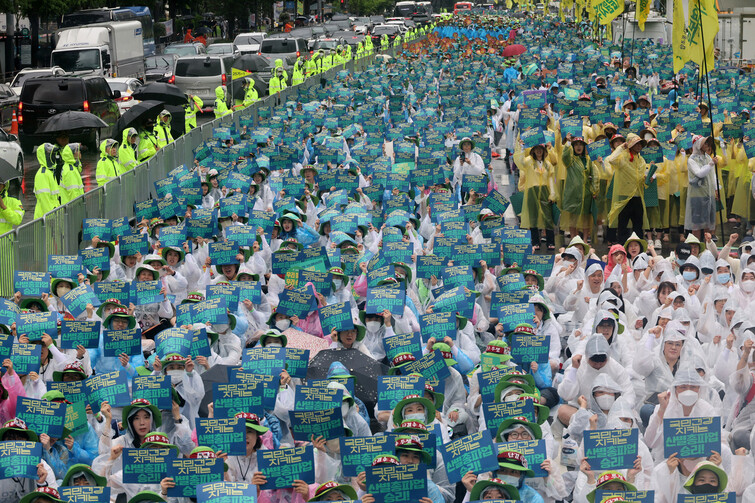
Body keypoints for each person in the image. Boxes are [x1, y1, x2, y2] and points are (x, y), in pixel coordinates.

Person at [33, 143, 61, 219]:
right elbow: (44, 199)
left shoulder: (50, 172)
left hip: (52, 216)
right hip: (45, 219)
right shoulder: (43, 174)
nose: (54, 156)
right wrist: (50, 217)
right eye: (52, 154)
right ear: (46, 156)